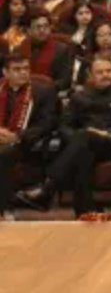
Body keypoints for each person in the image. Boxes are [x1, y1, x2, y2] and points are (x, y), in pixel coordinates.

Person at [16, 58, 111, 217]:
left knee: (83, 138)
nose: (105, 75)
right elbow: (63, 125)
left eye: (108, 71)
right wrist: (76, 138)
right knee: (83, 150)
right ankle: (85, 209)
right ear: (90, 76)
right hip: (84, 144)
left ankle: (48, 187)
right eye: (100, 72)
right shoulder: (79, 97)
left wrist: (110, 133)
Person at [0, 55, 57, 220]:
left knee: (3, 154)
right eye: (17, 69)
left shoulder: (43, 92)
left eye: (26, 69)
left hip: (26, 143)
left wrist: (17, 136)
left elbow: (47, 123)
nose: (23, 73)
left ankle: (5, 209)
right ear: (5, 72)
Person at [27, 13, 73, 92]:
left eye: (46, 26)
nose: (42, 30)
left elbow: (65, 80)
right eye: (38, 27)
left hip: (50, 92)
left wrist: (45, 89)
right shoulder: (21, 48)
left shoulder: (61, 50)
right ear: (29, 30)